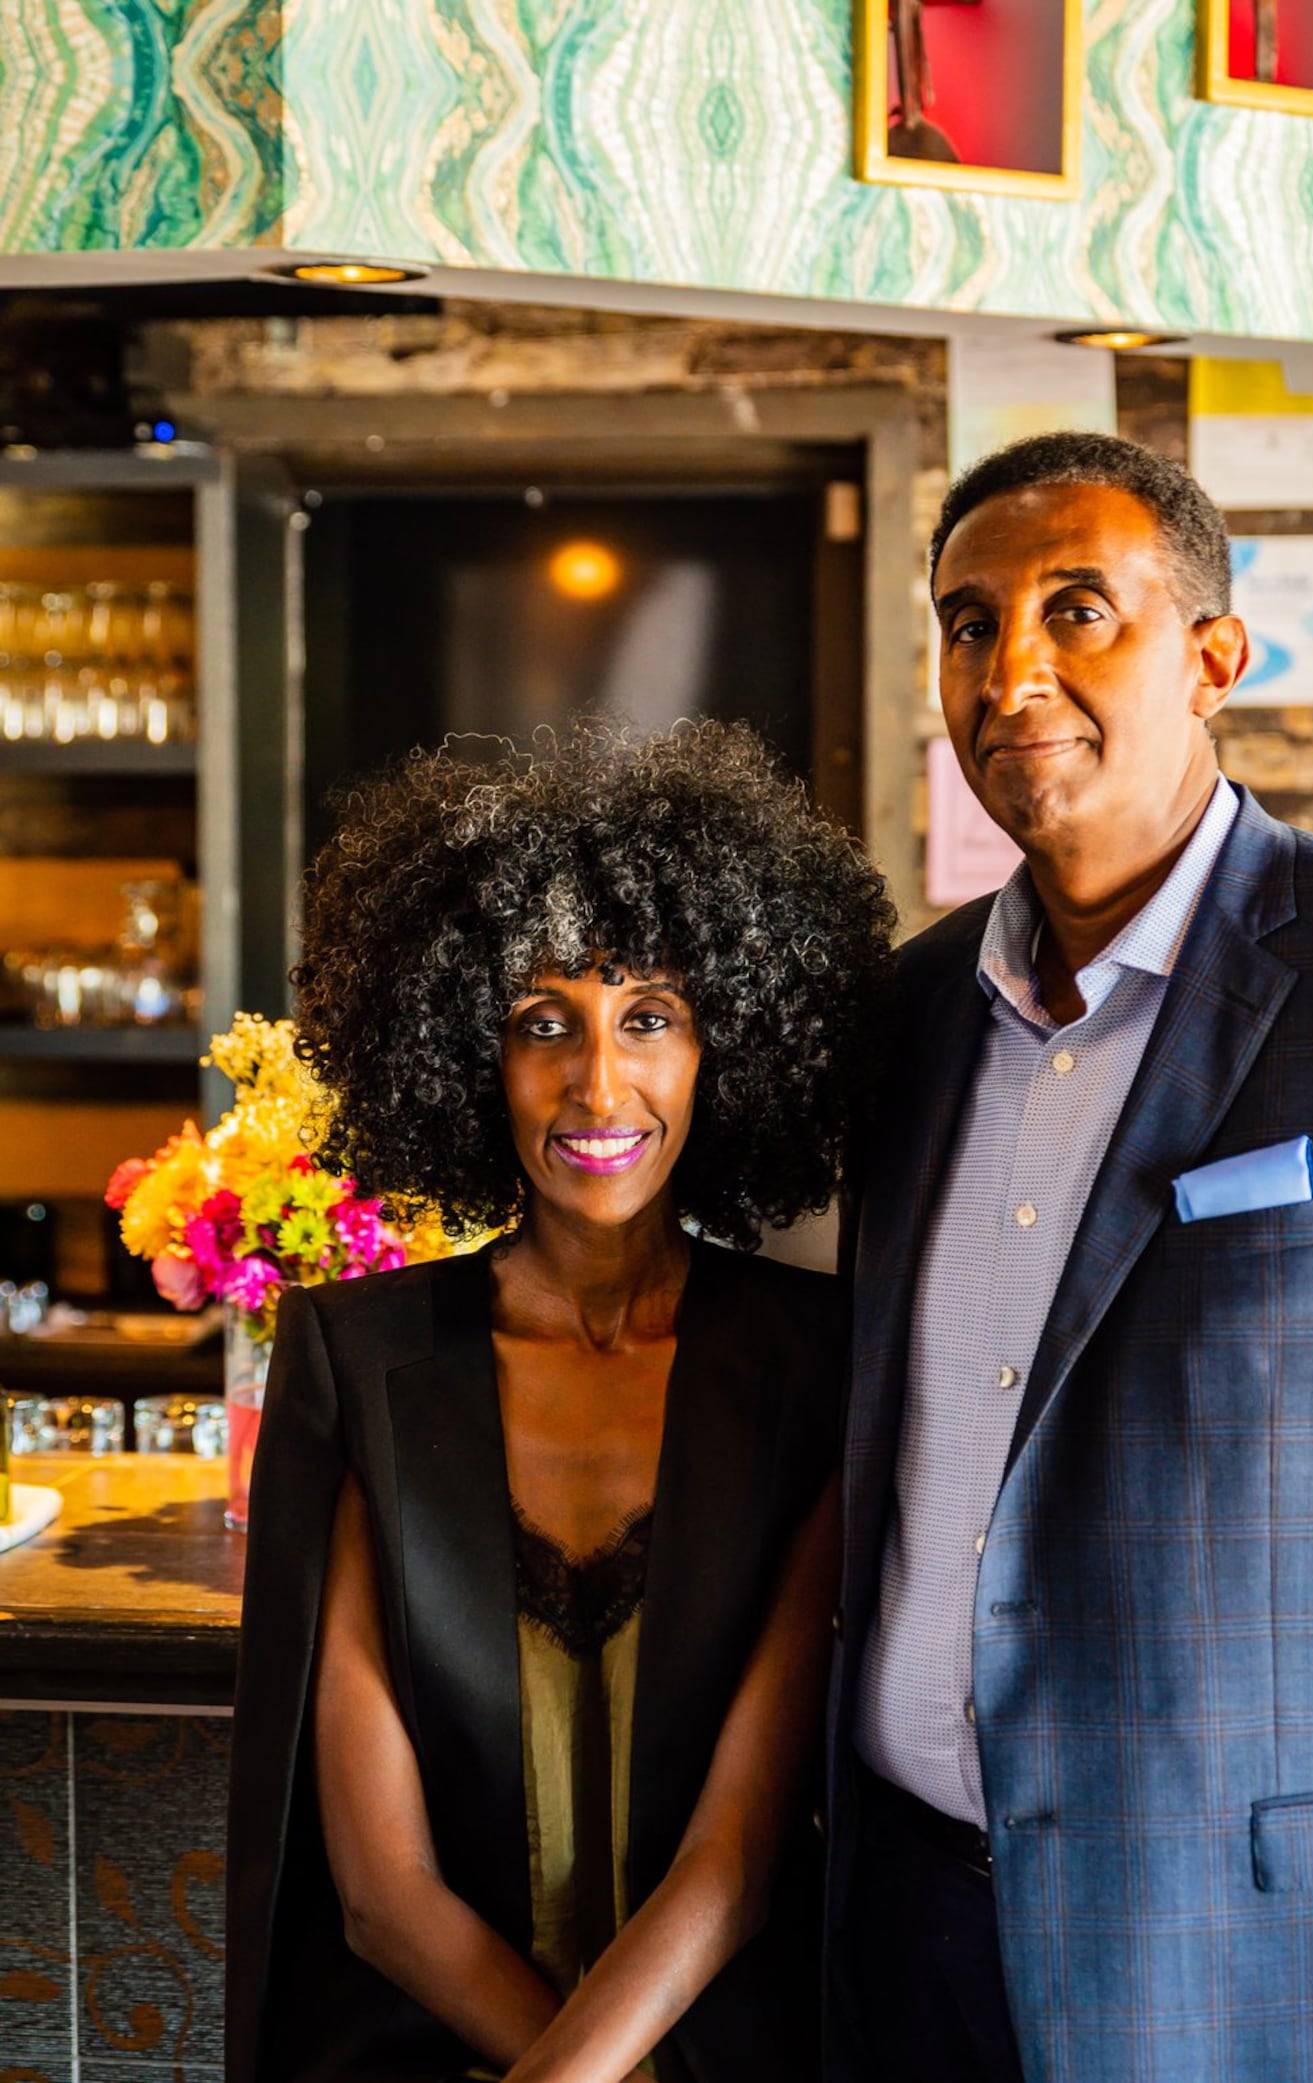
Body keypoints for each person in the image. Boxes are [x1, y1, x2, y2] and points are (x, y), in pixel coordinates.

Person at [826, 430, 1313, 2081]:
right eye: (969, 624)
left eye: (1078, 609)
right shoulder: (904, 1019)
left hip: (1251, 1979)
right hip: (905, 1943)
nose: (1012, 668)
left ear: (1214, 656)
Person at [225, 722, 894, 2083]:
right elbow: (381, 1891)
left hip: (716, 2055)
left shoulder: (818, 1363)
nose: (600, 1084)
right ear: (463, 1053)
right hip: (419, 2048)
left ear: (730, 1048)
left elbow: (739, 1856)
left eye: (650, 1018)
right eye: (545, 1024)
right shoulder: (360, 1357)